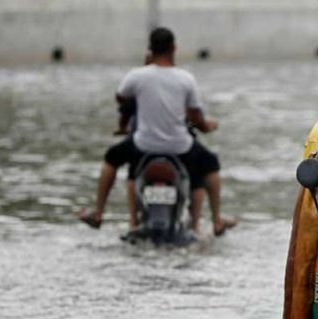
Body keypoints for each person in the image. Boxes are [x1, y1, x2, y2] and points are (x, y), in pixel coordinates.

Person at [78, 27, 236, 236]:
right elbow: (197, 116)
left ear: (150, 50)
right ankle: (216, 220)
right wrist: (208, 126)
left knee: (111, 159)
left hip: (143, 145)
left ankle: (98, 213)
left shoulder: (137, 76)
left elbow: (121, 98)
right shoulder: (185, 78)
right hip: (180, 147)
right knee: (211, 166)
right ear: (174, 48)